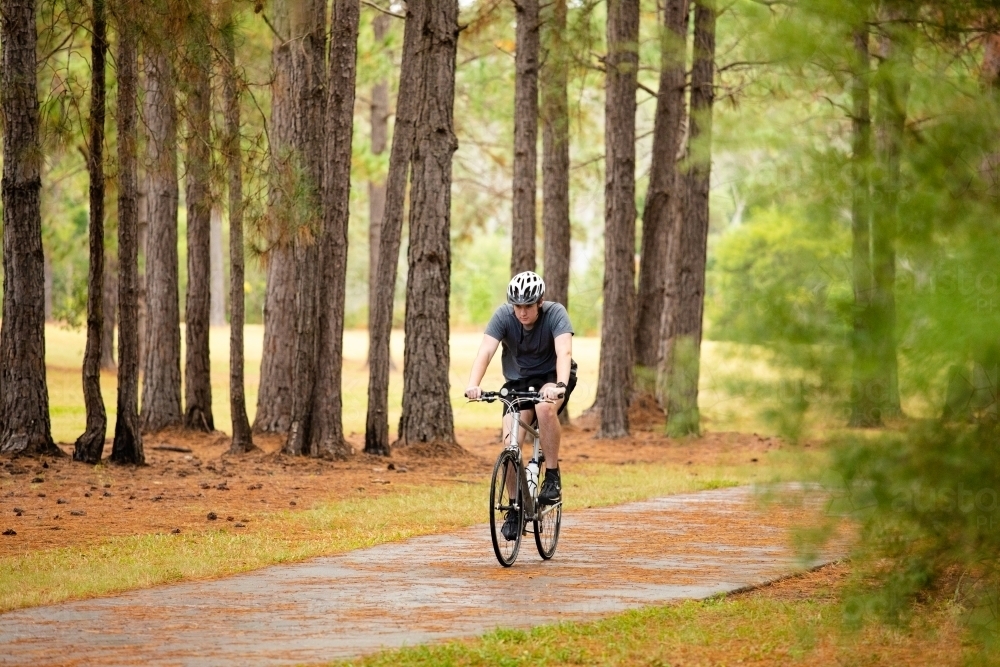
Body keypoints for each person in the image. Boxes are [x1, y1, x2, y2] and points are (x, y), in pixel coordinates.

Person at [465, 271, 576, 540]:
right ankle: (515, 508)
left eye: (528, 306)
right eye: (518, 306)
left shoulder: (556, 313)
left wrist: (559, 385)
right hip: (518, 381)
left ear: (540, 302)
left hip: (552, 377)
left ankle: (551, 475)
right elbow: (486, 351)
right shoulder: (504, 315)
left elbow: (565, 352)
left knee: (544, 408)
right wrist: (473, 384)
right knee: (510, 443)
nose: (522, 312)